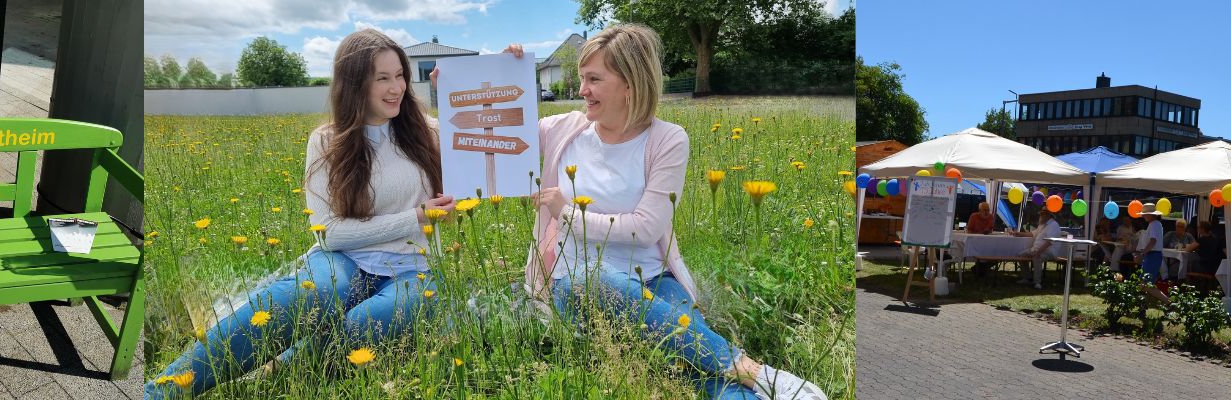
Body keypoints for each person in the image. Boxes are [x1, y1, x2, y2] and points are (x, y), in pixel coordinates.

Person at [436, 24, 825, 400]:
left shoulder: (668, 139)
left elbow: (646, 227)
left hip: (652, 279)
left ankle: (756, 384)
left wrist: (567, 213)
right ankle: (754, 370)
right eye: (581, 78)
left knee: (689, 357)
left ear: (630, 84)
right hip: (575, 285)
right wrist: (460, 85)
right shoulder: (561, 129)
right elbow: (481, 134)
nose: (581, 90)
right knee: (594, 283)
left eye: (593, 79)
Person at [145, 29, 454, 399]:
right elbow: (330, 234)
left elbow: (490, 131)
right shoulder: (327, 141)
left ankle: (285, 365)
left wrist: (460, 91)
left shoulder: (429, 132)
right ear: (354, 85)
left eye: (401, 75)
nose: (397, 87)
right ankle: (161, 391)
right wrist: (416, 218)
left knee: (368, 322)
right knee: (317, 292)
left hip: (413, 266)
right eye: (382, 78)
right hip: (344, 258)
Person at [1132, 204, 1172, 304]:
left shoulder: (1154, 224)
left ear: (1151, 215)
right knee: (1143, 284)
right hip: (1152, 256)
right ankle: (1141, 305)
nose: (1143, 216)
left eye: (1145, 214)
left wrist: (1142, 254)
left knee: (1146, 284)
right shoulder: (1155, 224)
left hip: (1153, 256)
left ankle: (1169, 302)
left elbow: (1153, 241)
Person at [1014, 211, 1063, 289]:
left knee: (1037, 258)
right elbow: (1033, 233)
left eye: (1041, 214)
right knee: (1020, 255)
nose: (1039, 216)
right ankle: (1027, 278)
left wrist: (1038, 252)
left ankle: (1037, 282)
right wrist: (1019, 234)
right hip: (1035, 249)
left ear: (1047, 215)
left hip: (1048, 251)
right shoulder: (1042, 225)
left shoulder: (1053, 225)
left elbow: (1049, 242)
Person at [967, 202, 999, 277]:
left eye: (988, 210)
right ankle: (980, 270)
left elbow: (990, 229)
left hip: (987, 242)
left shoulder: (991, 217)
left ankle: (978, 269)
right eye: (985, 210)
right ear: (980, 210)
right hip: (975, 242)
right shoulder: (974, 216)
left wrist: (986, 231)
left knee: (998, 253)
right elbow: (969, 230)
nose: (987, 212)